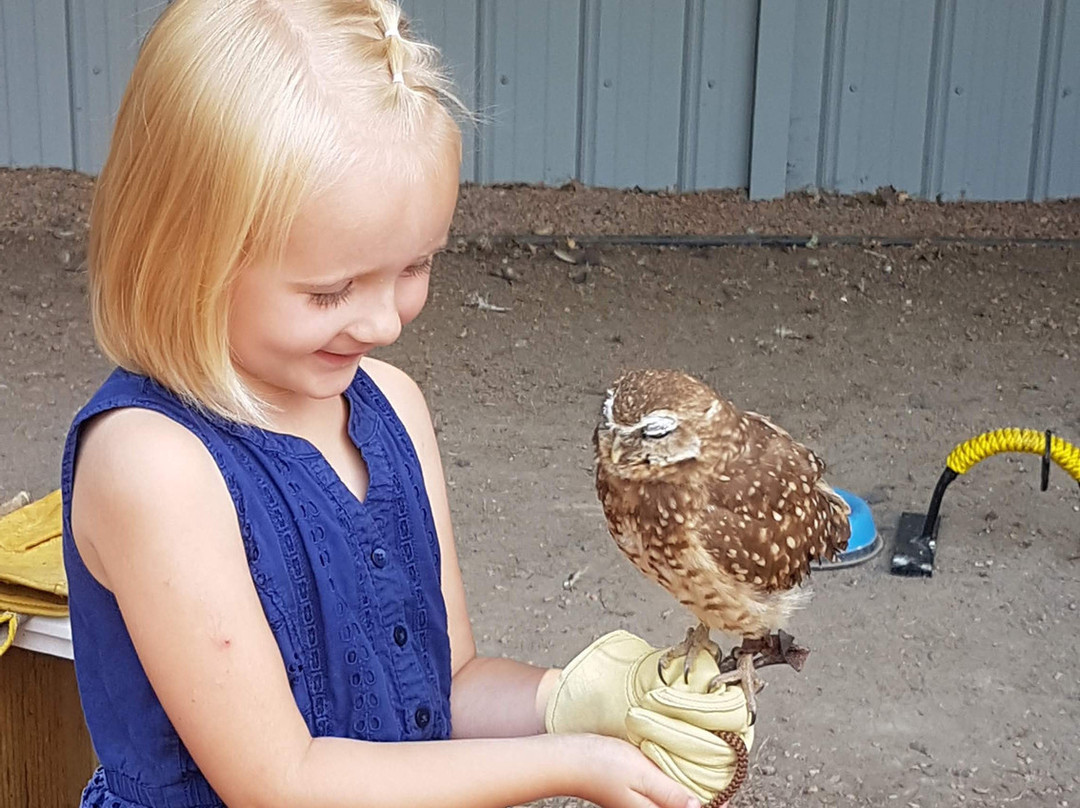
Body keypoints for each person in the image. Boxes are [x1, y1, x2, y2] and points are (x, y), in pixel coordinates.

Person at [61, 2, 753, 807]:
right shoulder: (152, 465)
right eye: (330, 291)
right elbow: (283, 784)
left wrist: (582, 700)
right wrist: (574, 761)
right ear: (183, 257)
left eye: (416, 266)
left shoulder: (393, 406)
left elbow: (447, 689)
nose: (386, 323)